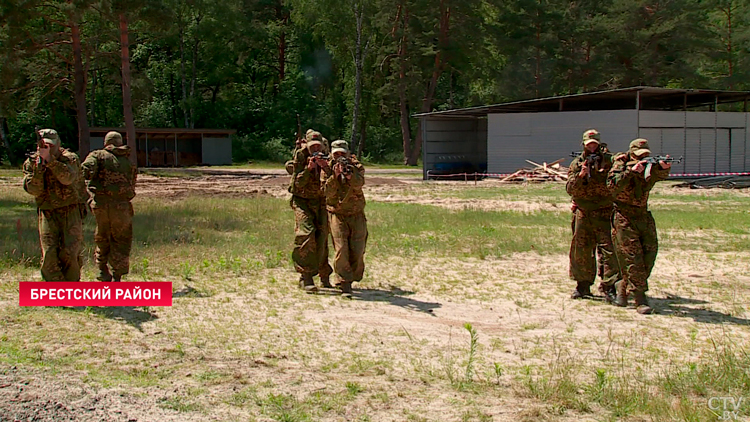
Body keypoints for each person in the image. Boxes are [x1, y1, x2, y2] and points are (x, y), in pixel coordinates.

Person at [607, 138, 672, 314]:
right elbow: (613, 187)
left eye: (645, 155)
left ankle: (623, 285)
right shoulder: (621, 165)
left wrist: (664, 168)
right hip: (624, 215)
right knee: (632, 257)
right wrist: (631, 172)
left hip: (643, 214)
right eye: (639, 155)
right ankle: (640, 298)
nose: (642, 158)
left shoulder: (648, 166)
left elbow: (655, 178)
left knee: (650, 253)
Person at [566, 129, 621, 302]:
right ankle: (582, 286)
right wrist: (581, 175)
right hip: (584, 211)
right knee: (581, 249)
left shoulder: (610, 161)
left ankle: (609, 286)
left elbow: (618, 180)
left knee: (609, 250)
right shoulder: (577, 163)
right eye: (589, 143)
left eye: (595, 143)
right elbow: (570, 189)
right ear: (583, 144)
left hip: (605, 210)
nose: (592, 146)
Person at [22, 128, 84, 281]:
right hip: (47, 211)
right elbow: (33, 189)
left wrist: (51, 161)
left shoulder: (69, 159)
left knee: (70, 251)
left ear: (58, 144)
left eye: (51, 145)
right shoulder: (32, 163)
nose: (47, 149)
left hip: (70, 209)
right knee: (49, 252)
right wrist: (39, 167)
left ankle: (71, 288)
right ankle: (54, 288)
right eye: (43, 146)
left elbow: (67, 179)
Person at [81, 131, 138, 282]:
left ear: (106, 143)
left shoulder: (98, 155)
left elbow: (85, 170)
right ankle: (117, 275)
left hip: (101, 205)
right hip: (122, 207)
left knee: (102, 237)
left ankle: (102, 271)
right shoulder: (129, 161)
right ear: (120, 142)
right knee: (121, 240)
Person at [289, 134, 333, 292]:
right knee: (306, 234)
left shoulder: (328, 157)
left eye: (318, 146)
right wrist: (309, 169)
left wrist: (325, 167)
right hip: (302, 201)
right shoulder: (301, 158)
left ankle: (324, 275)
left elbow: (334, 181)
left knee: (322, 237)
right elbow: (295, 186)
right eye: (312, 146)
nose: (315, 149)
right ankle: (306, 277)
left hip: (321, 201)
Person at [324, 140, 367, 296]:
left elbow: (359, 184)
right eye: (337, 154)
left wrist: (350, 175)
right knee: (341, 248)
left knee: (358, 249)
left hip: (356, 213)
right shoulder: (327, 168)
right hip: (337, 214)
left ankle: (353, 276)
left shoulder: (356, 167)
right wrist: (334, 177)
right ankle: (344, 282)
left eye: (343, 153)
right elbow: (327, 192)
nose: (340, 156)